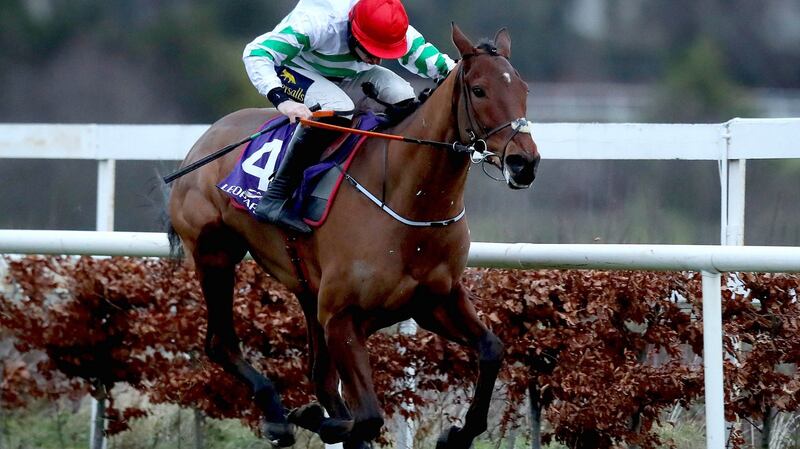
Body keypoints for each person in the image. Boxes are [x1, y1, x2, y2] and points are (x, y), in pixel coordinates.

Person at [243, 0, 456, 233]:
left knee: (404, 96)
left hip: (348, 74)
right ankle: (275, 198)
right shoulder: (317, 24)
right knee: (339, 107)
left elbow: (440, 66)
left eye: (384, 53)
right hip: (296, 69)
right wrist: (282, 100)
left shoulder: (392, 25)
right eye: (373, 51)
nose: (378, 60)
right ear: (354, 33)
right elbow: (256, 52)